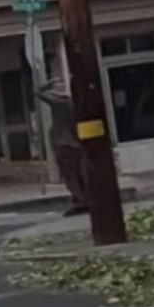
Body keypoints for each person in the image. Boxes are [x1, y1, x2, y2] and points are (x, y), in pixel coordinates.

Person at [36, 78, 88, 215]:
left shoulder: (58, 103)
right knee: (80, 174)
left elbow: (38, 92)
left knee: (70, 176)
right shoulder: (74, 103)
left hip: (64, 145)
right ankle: (85, 200)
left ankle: (80, 202)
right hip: (77, 144)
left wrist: (49, 82)